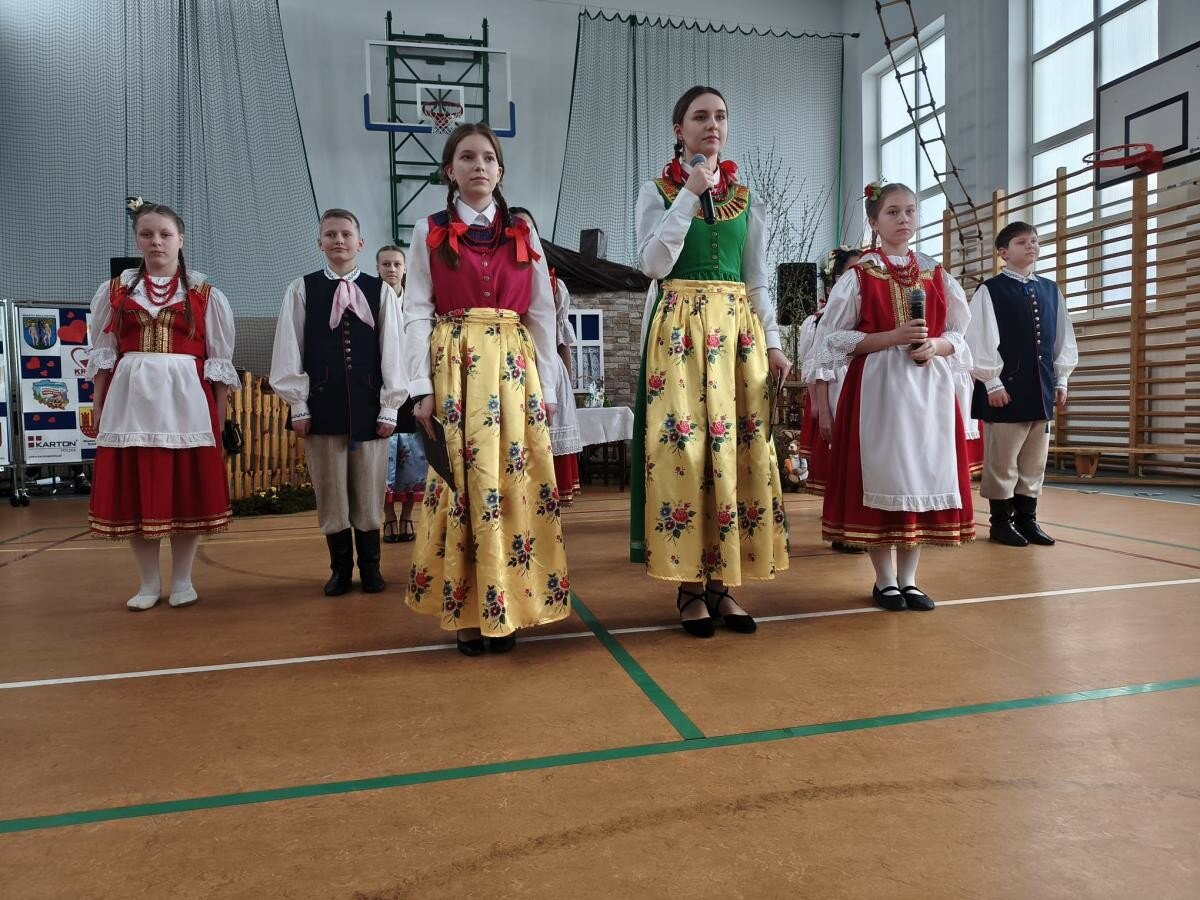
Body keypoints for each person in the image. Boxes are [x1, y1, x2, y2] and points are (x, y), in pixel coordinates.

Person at [401, 123, 570, 657]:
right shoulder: (428, 230)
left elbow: (541, 310)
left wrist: (545, 384)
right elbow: (415, 310)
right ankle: (468, 612)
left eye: (489, 158)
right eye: (468, 157)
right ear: (450, 170)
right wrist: (420, 386)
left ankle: (508, 604)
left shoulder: (522, 230)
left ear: (500, 171)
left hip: (514, 370)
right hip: (457, 370)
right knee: (465, 485)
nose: (480, 166)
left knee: (513, 484)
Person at [631, 85, 791, 638]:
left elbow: (757, 281)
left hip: (736, 336)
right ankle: (690, 586)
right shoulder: (656, 192)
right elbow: (653, 264)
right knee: (686, 453)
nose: (712, 125)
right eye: (700, 117)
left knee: (738, 453)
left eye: (720, 116)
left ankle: (723, 584)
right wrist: (687, 196)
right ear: (680, 130)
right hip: (678, 334)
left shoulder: (747, 199)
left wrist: (773, 343)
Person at [807, 181, 975, 611]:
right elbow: (832, 340)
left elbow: (959, 335)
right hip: (878, 389)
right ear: (874, 222)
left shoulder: (937, 274)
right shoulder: (859, 276)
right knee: (885, 475)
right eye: (893, 212)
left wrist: (936, 345)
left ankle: (910, 579)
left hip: (929, 390)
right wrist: (890, 337)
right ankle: (885, 580)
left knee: (921, 475)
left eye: (910, 211)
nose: (903, 219)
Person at [87, 200, 240, 610]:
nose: (156, 241)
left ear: (180, 239)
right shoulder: (115, 291)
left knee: (185, 489)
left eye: (165, 234)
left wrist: (218, 416)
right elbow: (103, 354)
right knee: (137, 490)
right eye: (147, 234)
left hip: (186, 403)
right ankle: (148, 583)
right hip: (130, 403)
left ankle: (184, 580)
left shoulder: (205, 294)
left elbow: (219, 364)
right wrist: (98, 406)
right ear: (137, 240)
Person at [270, 209, 405, 595]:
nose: (338, 240)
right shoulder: (302, 289)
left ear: (360, 243)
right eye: (330, 234)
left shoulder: (380, 291)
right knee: (330, 491)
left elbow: (394, 351)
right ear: (320, 243)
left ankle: (372, 568)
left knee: (369, 488)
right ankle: (341, 569)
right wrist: (298, 405)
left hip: (370, 408)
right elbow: (289, 347)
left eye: (346, 234)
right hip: (321, 408)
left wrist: (390, 406)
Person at [965, 221, 1078, 546]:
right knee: (1002, 461)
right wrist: (992, 382)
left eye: (1034, 241)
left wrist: (1061, 378)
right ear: (1003, 252)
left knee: (1033, 460)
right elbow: (979, 338)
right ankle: (1001, 523)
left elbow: (1062, 338)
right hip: (1005, 390)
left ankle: (1027, 520)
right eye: (1021, 242)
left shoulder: (1051, 290)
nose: (1031, 246)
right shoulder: (991, 290)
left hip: (1040, 389)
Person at [510, 207, 583, 504]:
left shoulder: (555, 284)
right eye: (516, 227)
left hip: (546, 363)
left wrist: (566, 381)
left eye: (528, 229)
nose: (523, 234)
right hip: (509, 362)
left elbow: (561, 337)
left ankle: (547, 496)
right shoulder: (502, 275)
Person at [798, 245, 864, 554]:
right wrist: (820, 408)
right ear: (838, 278)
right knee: (842, 463)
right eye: (853, 271)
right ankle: (843, 529)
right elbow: (814, 367)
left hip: (869, 392)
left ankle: (866, 526)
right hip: (837, 392)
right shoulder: (818, 321)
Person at [375, 245, 426, 542]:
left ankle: (407, 517)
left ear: (405, 268)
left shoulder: (415, 305)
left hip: (412, 389)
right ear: (377, 268)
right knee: (383, 456)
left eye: (396, 264)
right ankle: (388, 517)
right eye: (385, 264)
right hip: (380, 390)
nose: (391, 269)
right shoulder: (369, 300)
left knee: (413, 456)